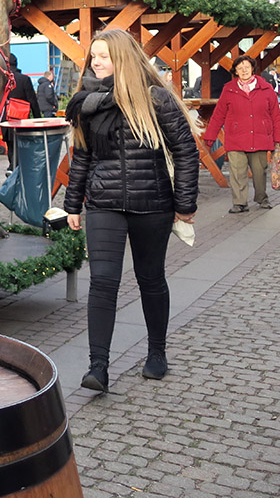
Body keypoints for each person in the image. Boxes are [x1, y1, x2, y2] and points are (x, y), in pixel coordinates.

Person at [64, 28, 199, 392]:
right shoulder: (87, 102)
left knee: (150, 279)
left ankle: (157, 352)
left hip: (152, 204)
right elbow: (82, 155)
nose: (96, 62)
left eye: (103, 56)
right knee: (103, 282)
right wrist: (72, 203)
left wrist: (185, 204)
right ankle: (98, 367)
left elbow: (186, 150)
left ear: (121, 58)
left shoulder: (155, 98)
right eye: (93, 56)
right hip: (104, 203)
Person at [201, 55, 280, 213]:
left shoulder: (266, 88)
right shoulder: (229, 89)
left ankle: (261, 198)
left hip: (260, 137)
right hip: (236, 138)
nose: (244, 70)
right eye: (240, 68)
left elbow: (276, 115)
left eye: (247, 67)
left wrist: (277, 138)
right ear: (235, 71)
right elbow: (218, 115)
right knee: (237, 172)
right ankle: (240, 203)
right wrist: (210, 137)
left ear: (252, 68)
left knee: (259, 172)